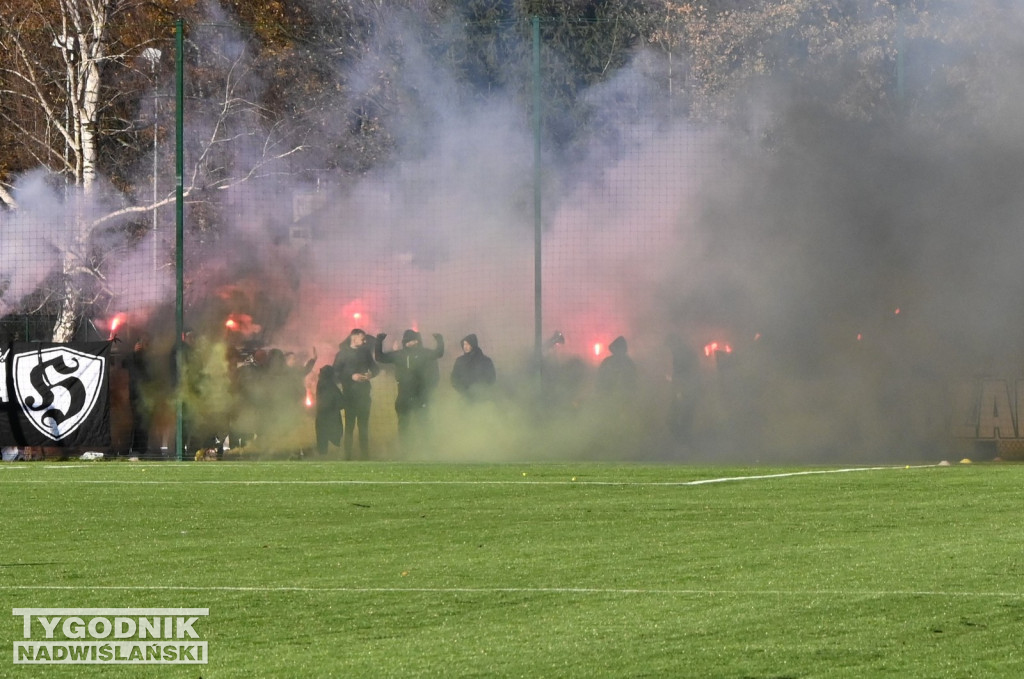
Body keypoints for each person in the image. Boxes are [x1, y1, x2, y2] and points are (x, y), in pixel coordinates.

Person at [376, 329, 444, 445]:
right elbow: (380, 357)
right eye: (407, 341)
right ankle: (405, 451)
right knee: (404, 425)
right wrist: (379, 341)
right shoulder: (400, 355)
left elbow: (438, 353)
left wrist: (439, 340)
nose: (410, 343)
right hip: (404, 395)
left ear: (417, 341)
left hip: (421, 395)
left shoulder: (424, 353)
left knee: (424, 424)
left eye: (413, 341)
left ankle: (428, 451)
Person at [332, 329, 379, 459]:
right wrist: (351, 376)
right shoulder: (342, 354)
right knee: (349, 427)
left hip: (364, 395)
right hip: (349, 396)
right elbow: (335, 374)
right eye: (362, 339)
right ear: (354, 337)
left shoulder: (365, 353)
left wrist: (371, 374)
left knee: (363, 427)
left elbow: (376, 368)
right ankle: (347, 456)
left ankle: (365, 456)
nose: (365, 341)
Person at [450, 333, 496, 402]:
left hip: (482, 398)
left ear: (473, 344)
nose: (465, 346)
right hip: (465, 398)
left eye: (468, 344)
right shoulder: (460, 361)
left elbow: (491, 378)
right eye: (464, 344)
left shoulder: (485, 360)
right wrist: (463, 391)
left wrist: (482, 390)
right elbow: (454, 378)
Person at [314, 364, 345, 456]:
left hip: (320, 418)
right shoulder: (331, 386)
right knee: (333, 445)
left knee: (322, 444)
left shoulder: (320, 383)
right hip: (331, 419)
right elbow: (341, 403)